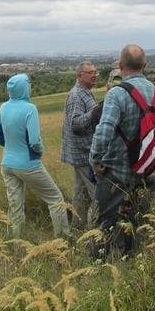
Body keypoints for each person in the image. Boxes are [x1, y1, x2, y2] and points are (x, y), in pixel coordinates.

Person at [90, 44, 155, 256]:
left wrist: (96, 160)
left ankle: (100, 265)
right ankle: (132, 259)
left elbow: (104, 131)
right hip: (149, 170)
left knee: (104, 222)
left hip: (117, 171)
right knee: (137, 220)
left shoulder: (116, 94)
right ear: (144, 65)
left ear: (120, 64)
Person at [0, 73, 70, 239]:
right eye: (28, 84)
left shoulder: (3, 107)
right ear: (25, 88)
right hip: (28, 164)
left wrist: (11, 149)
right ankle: (64, 240)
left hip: (6, 164)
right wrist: (39, 151)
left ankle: (16, 241)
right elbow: (34, 140)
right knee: (55, 199)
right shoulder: (30, 109)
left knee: (15, 205)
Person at [60, 62, 103, 231]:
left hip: (81, 154)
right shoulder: (77, 95)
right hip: (83, 154)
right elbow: (76, 124)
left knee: (80, 194)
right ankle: (99, 231)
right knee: (97, 194)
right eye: (90, 72)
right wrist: (95, 112)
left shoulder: (85, 93)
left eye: (95, 72)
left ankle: (78, 229)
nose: (94, 75)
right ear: (79, 76)